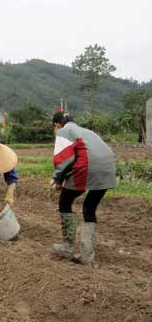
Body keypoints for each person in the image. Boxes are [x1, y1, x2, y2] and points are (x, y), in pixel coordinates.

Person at [51, 112, 116, 265]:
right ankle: (87, 255)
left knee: (64, 202)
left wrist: (57, 179)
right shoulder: (87, 131)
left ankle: (67, 247)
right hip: (108, 169)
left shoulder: (63, 131)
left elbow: (63, 158)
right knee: (89, 207)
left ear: (57, 125)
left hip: (87, 168)